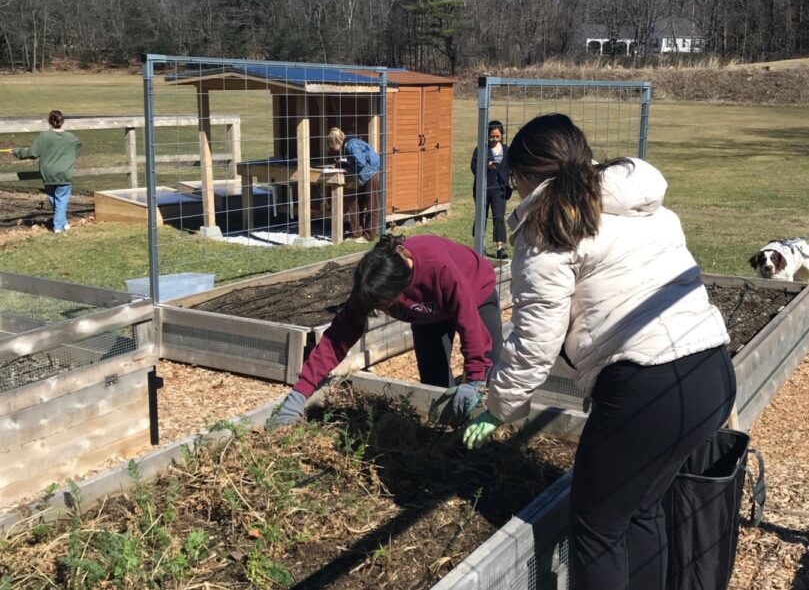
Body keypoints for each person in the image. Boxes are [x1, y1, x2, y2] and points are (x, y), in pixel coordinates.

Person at [462, 114, 735, 590]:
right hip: (712, 367)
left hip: (650, 387)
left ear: (525, 176)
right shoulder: (638, 205)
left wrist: (500, 405)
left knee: (596, 524)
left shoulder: (546, 227)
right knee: (640, 507)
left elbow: (535, 340)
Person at [268, 233, 503, 428]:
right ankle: (450, 441)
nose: (380, 310)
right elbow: (337, 338)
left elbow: (470, 323)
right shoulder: (373, 283)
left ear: (403, 292)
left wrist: (474, 378)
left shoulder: (437, 266)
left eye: (385, 305)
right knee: (435, 387)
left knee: (489, 375)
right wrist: (299, 395)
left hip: (475, 293)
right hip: (428, 316)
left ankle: (492, 444)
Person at [9, 110, 82, 233]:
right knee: (61, 199)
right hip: (64, 174)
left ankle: (63, 223)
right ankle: (58, 227)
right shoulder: (71, 137)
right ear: (62, 122)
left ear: (49, 122)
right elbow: (79, 147)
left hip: (48, 174)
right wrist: (68, 158)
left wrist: (17, 151)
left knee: (54, 199)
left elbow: (32, 153)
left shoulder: (44, 136)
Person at [328, 127, 381, 243]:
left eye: (332, 145)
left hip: (370, 174)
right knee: (356, 203)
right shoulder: (350, 144)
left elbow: (360, 164)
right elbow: (357, 161)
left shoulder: (351, 145)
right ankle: (357, 233)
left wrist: (348, 170)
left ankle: (369, 236)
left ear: (336, 142)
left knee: (372, 205)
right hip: (364, 175)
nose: (333, 149)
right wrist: (342, 164)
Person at [470, 120, 511, 259]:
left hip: (500, 190)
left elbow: (510, 167)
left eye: (497, 136)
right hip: (483, 189)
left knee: (499, 218)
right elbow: (474, 167)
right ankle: (480, 244)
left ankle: (500, 248)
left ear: (502, 136)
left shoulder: (506, 150)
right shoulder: (481, 149)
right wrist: (486, 165)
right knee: (482, 217)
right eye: (491, 136)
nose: (494, 139)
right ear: (487, 136)